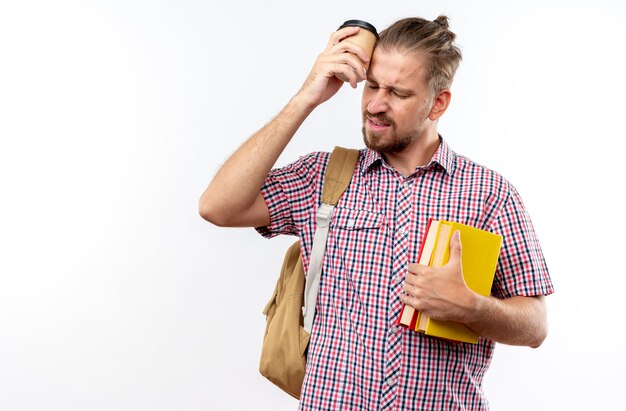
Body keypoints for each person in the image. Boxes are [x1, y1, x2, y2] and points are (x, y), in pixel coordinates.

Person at [199, 15, 554, 411]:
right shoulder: (324, 176)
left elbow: (535, 325)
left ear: (438, 103)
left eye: (398, 93)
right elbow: (217, 207)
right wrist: (306, 98)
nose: (375, 104)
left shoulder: (490, 194)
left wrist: (473, 307)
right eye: (372, 86)